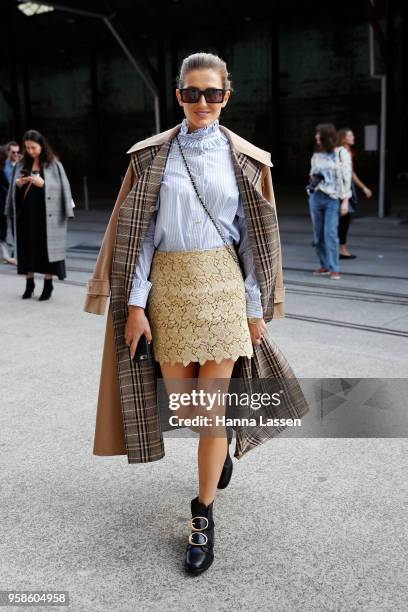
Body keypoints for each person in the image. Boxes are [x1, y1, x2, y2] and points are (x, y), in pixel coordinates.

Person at [84, 52, 309, 575]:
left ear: (226, 97)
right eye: (191, 92)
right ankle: (223, 445)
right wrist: (134, 305)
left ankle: (203, 512)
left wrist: (256, 307)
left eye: (212, 93)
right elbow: (136, 237)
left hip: (224, 291)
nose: (201, 102)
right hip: (167, 292)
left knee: (208, 412)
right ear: (178, 95)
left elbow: (256, 240)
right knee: (187, 410)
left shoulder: (248, 160)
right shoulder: (150, 158)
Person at [5, 129, 74, 300]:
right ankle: (29, 284)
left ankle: (48, 284)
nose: (30, 151)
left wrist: (43, 184)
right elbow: (13, 193)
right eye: (27, 148)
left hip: (47, 216)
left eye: (33, 147)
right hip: (26, 216)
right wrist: (19, 184)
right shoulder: (21, 165)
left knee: (46, 250)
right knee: (27, 248)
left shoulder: (53, 165)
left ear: (41, 146)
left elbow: (64, 189)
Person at [308, 123, 352, 280]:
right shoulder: (316, 154)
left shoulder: (341, 154)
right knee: (318, 236)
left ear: (325, 136)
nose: (316, 137)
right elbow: (312, 173)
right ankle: (324, 265)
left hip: (332, 199)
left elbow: (347, 178)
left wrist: (345, 200)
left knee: (331, 234)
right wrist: (313, 179)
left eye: (318, 134)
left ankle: (334, 268)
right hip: (315, 197)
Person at [336, 127, 373, 259]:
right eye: (350, 136)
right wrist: (364, 188)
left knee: (342, 219)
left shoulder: (346, 151)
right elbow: (350, 174)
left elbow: (351, 173)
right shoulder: (342, 152)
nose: (353, 138)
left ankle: (340, 247)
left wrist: (363, 187)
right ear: (343, 138)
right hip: (343, 188)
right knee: (343, 219)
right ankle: (341, 249)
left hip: (344, 187)